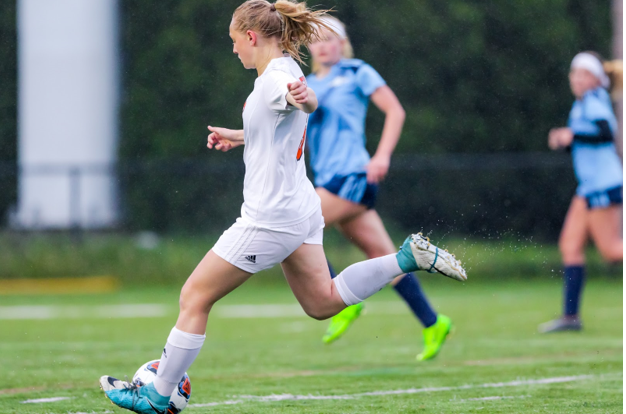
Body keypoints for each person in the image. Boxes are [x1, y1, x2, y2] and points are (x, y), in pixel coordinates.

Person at [98, 1, 466, 412]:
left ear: (252, 37)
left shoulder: (276, 81)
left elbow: (301, 104)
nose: (234, 49)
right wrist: (239, 136)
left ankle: (156, 394)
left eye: (235, 41)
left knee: (194, 297)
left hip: (269, 219)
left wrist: (306, 99)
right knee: (322, 302)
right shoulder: (289, 66)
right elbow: (280, 121)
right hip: (301, 209)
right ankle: (405, 258)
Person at [305, 16, 453, 361]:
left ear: (343, 42)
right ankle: (433, 323)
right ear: (308, 46)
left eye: (331, 38)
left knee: (296, 225)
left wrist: (382, 155)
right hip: (329, 181)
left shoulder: (357, 72)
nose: (324, 44)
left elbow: (395, 111)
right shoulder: (307, 83)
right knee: (388, 259)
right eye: (317, 39)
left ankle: (338, 301)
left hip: (354, 176)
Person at [539, 52, 623, 333]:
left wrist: (572, 136)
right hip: (588, 187)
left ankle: (570, 316)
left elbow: (605, 134)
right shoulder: (582, 103)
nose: (577, 78)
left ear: (596, 79)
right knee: (570, 246)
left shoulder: (595, 99)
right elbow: (587, 143)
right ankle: (570, 317)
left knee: (612, 251)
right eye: (574, 73)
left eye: (583, 74)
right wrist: (566, 140)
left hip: (602, 185)